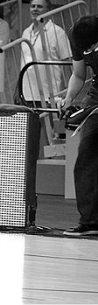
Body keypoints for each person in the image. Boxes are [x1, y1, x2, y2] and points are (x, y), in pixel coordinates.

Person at [58, 15, 98, 237]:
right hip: (96, 96)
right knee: (86, 158)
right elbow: (78, 73)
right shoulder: (77, 35)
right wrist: (69, 98)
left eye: (93, 47)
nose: (89, 51)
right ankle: (91, 221)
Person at [20, 0, 70, 105]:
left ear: (48, 10)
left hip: (50, 94)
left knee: (48, 123)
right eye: (32, 6)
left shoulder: (57, 32)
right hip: (27, 94)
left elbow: (67, 62)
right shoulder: (26, 32)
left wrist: (67, 89)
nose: (35, 9)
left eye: (39, 6)